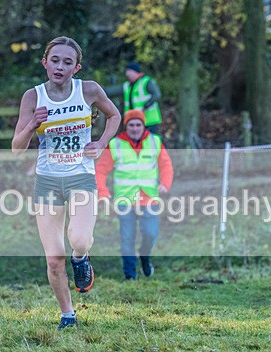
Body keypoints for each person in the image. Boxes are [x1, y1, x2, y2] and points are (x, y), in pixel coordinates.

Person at [12, 36, 121, 330]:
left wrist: (101, 143)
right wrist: (33, 125)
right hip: (46, 181)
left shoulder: (88, 90)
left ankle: (82, 258)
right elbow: (16, 147)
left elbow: (114, 116)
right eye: (55, 60)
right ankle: (68, 314)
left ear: (77, 67)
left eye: (67, 62)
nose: (60, 66)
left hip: (80, 176)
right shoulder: (32, 97)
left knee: (80, 239)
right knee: (53, 259)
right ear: (45, 62)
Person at [95, 109, 173, 280]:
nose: (135, 128)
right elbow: (100, 170)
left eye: (138, 124)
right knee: (127, 238)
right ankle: (130, 275)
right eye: (131, 125)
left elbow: (166, 165)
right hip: (125, 200)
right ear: (126, 126)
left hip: (149, 198)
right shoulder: (115, 144)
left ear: (143, 126)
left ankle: (145, 257)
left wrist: (165, 184)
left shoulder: (154, 141)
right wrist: (103, 191)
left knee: (151, 234)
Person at [104, 62, 163, 133]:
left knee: (151, 142)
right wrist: (95, 90)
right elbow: (110, 91)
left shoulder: (146, 82)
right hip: (134, 122)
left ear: (136, 72)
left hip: (149, 121)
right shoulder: (127, 85)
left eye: (129, 71)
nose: (127, 74)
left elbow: (156, 95)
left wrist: (145, 107)